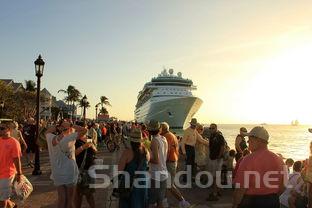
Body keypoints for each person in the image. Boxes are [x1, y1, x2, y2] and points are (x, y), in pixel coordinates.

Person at [233, 126, 287, 208]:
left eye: (250, 140)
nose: (248, 142)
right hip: (272, 201)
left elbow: (240, 189)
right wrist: (271, 197)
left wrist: (235, 205)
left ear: (258, 140)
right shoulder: (279, 160)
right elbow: (283, 186)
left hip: (251, 202)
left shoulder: (247, 160)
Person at [45, 119, 87, 208]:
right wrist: (71, 125)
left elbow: (48, 131)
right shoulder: (70, 138)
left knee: (61, 199)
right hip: (69, 173)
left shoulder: (50, 137)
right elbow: (84, 130)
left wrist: (59, 126)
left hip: (57, 173)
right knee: (70, 201)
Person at [160, 122, 190, 208]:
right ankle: (164, 202)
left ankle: (183, 202)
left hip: (170, 162)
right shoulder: (172, 135)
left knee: (169, 184)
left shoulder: (167, 137)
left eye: (160, 128)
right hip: (173, 161)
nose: (159, 130)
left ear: (164, 129)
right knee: (166, 184)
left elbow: (167, 151)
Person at [117, 128, 150, 208]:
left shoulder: (127, 152)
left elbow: (119, 169)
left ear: (131, 141)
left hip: (129, 183)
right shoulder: (146, 152)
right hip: (143, 182)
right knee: (141, 203)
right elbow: (147, 164)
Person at [0, 121, 23, 208]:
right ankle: (12, 206)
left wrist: (19, 173)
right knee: (3, 197)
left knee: (2, 199)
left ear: (9, 130)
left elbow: (17, 159)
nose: (0, 130)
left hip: (7, 174)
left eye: (2, 128)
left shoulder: (14, 142)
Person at [75, 121, 97, 208]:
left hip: (89, 170)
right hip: (79, 169)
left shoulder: (89, 138)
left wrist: (92, 146)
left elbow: (95, 151)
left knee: (89, 194)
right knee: (78, 195)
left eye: (86, 128)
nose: (86, 130)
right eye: (84, 128)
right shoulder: (75, 140)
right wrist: (83, 147)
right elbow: (73, 153)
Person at [148, 120, 169, 208]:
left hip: (156, 175)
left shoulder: (154, 141)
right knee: (160, 201)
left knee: (151, 202)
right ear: (159, 128)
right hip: (164, 173)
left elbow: (156, 160)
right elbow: (165, 157)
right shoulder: (163, 139)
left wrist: (147, 156)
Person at [206, 133, 227, 201]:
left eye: (213, 128)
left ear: (216, 128)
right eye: (210, 128)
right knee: (215, 175)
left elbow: (222, 147)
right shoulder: (211, 136)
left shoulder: (220, 136)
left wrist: (219, 156)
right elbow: (210, 146)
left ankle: (215, 193)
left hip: (217, 158)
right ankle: (217, 191)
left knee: (216, 176)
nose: (211, 129)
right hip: (212, 157)